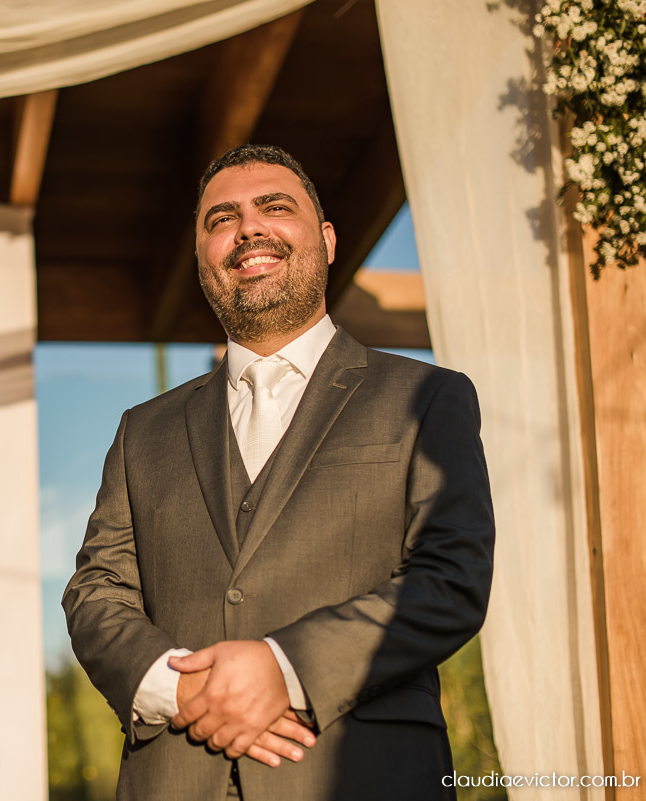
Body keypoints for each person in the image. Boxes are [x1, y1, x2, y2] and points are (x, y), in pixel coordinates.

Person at [63, 144, 495, 800]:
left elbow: (450, 578)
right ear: (205, 257)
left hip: (362, 775)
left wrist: (286, 667)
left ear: (324, 238)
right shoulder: (141, 432)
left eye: (275, 207)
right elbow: (96, 593)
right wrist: (178, 688)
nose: (248, 229)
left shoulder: (427, 397)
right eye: (221, 219)